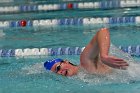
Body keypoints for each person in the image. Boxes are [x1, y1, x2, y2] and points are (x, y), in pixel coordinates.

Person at [44, 28, 129, 76]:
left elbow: (103, 31)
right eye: (56, 73)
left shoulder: (85, 62)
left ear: (66, 61)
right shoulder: (82, 76)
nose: (59, 72)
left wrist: (104, 56)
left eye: (58, 68)